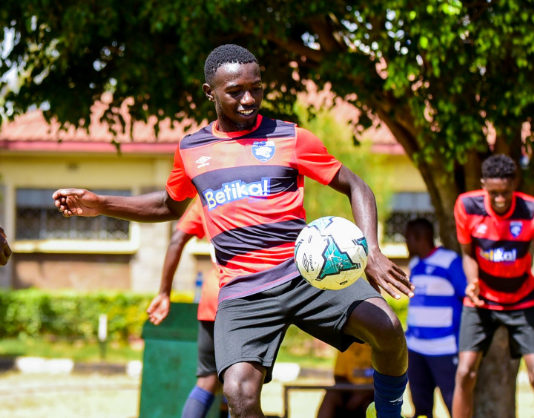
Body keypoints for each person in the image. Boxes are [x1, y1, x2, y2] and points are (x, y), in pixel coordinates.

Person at [53, 44, 414, 418]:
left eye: (256, 88)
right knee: (239, 394)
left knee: (387, 326)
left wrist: (371, 251)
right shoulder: (192, 149)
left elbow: (356, 185)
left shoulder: (291, 137)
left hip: (306, 274)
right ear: (210, 92)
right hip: (243, 291)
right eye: (235, 91)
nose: (248, 99)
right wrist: (101, 204)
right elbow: (167, 205)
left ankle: (388, 412)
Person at [452, 154, 534, 418]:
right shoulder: (467, 205)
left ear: (515, 184)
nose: (500, 198)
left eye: (505, 192)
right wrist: (472, 282)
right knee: (465, 372)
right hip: (481, 301)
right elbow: (467, 253)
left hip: (523, 300)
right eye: (494, 192)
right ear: (483, 184)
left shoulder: (530, 210)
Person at [146, 198, 222, 418]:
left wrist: (164, 292)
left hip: (213, 295)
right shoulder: (262, 184)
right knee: (245, 381)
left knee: (208, 380)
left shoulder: (208, 192)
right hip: (248, 297)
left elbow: (177, 238)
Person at [404, 218, 466, 418]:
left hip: (444, 348)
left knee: (453, 404)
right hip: (416, 348)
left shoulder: (449, 261)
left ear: (418, 238)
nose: (406, 243)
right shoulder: (415, 264)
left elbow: (467, 297)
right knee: (421, 408)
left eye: (407, 239)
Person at [317, 342, 374, 418]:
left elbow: (387, 379)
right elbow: (339, 376)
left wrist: (362, 395)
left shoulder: (384, 347)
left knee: (371, 406)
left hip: (373, 392)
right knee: (331, 395)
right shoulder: (346, 345)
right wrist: (354, 393)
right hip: (349, 390)